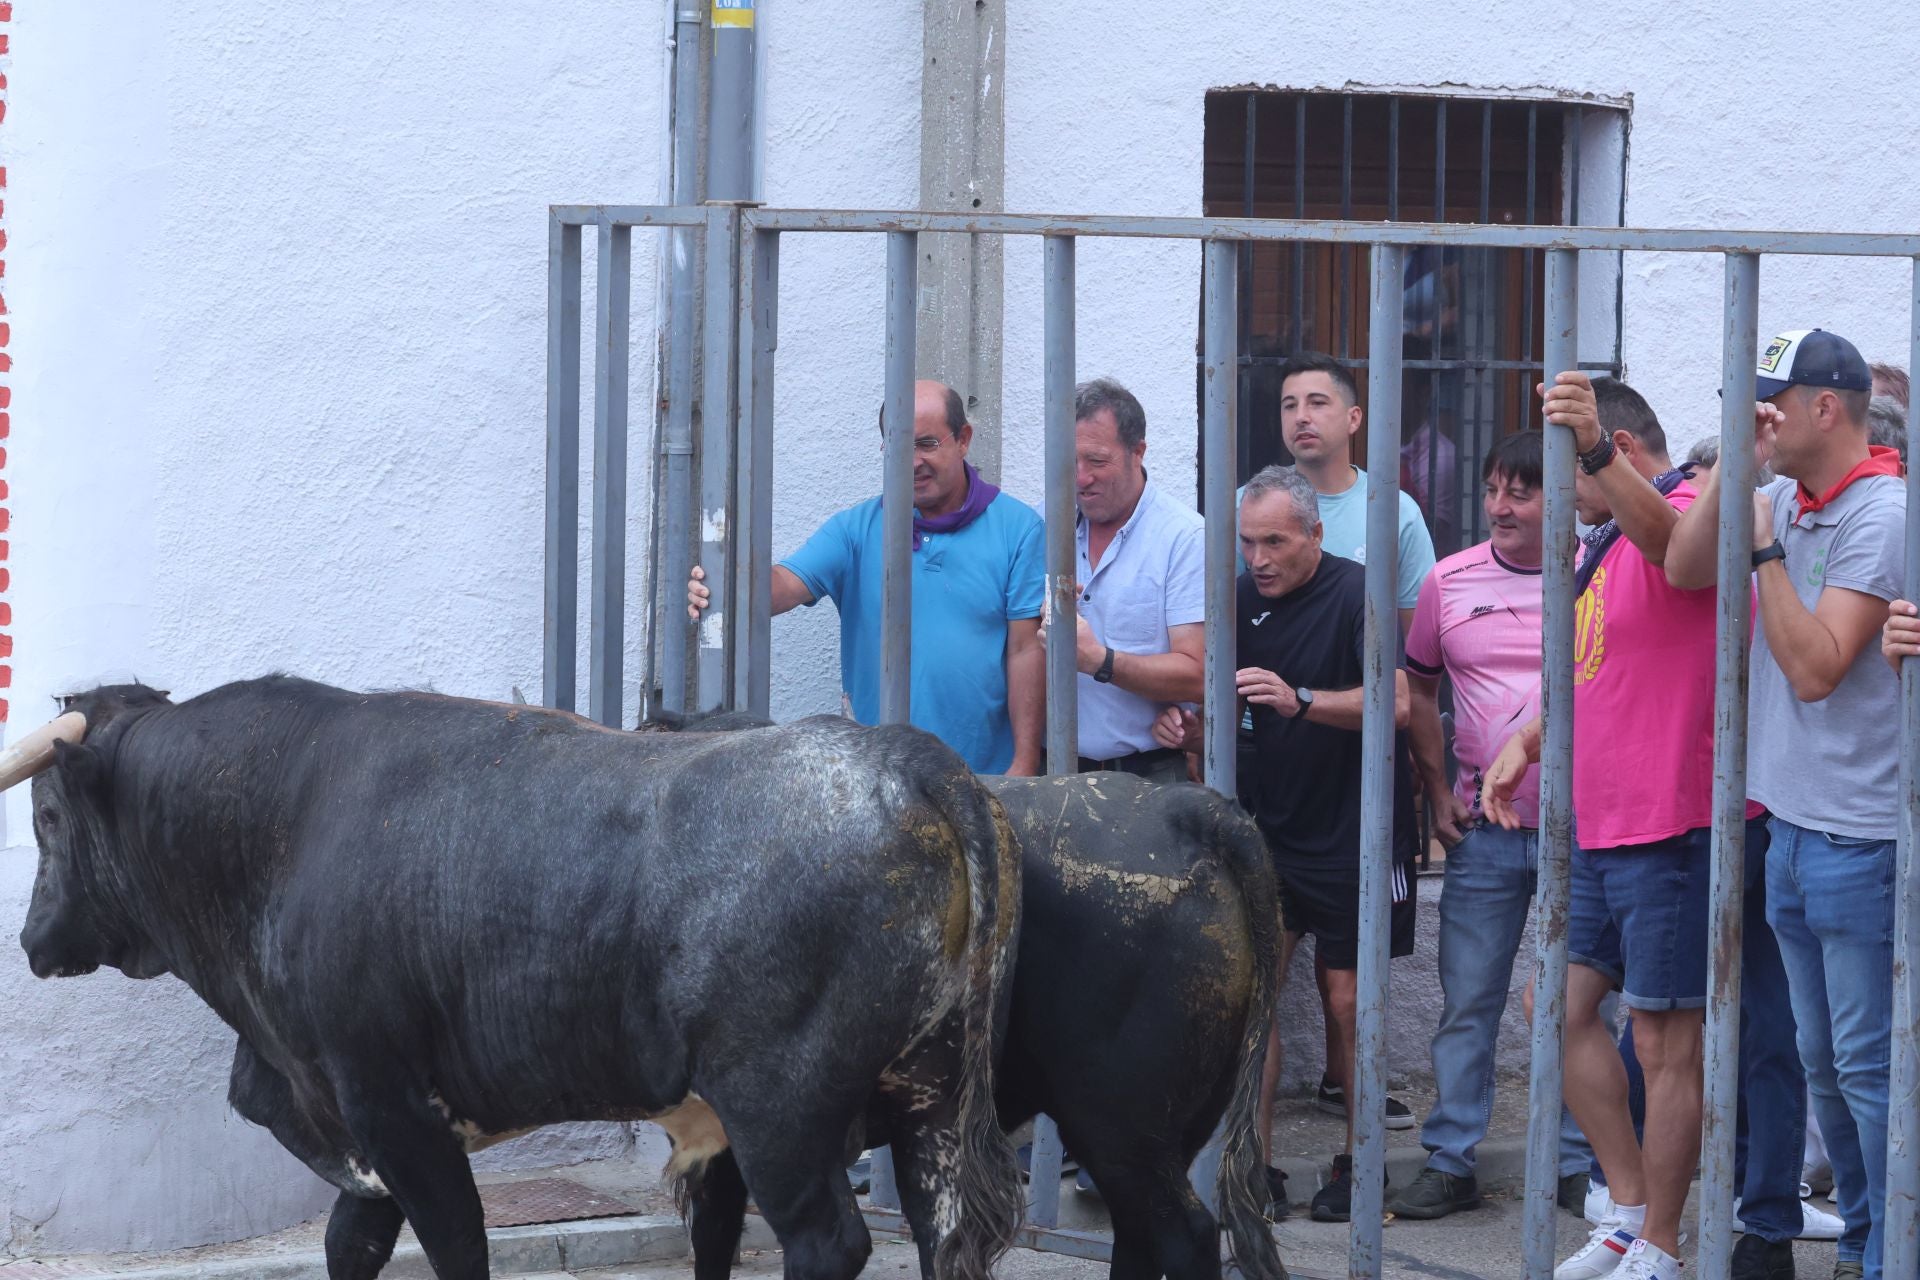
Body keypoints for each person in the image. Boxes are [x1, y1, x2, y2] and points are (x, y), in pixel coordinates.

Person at [1482, 374, 1739, 1280]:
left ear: (1618, 450)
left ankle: (1665, 1243)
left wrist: (1595, 451)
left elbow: (1682, 559)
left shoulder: (1692, 501)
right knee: (1556, 1005)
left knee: (1670, 1042)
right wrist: (1530, 738)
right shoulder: (1602, 537)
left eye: (1574, 471)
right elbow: (1606, 666)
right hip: (1603, 820)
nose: (1562, 492)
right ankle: (1630, 1212)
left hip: (1675, 815)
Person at [1667, 329, 1906, 1280]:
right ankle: (1862, 1243)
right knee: (1824, 1066)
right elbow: (1685, 566)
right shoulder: (1780, 495)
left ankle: (1894, 1247)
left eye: (1772, 399)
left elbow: (1813, 670)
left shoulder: (1882, 513)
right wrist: (1738, 463)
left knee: (1870, 1071)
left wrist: (1764, 543)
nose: (1760, 413)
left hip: (1862, 833)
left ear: (1826, 408)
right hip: (1795, 826)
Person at [1153, 465, 1417, 1225]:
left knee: (1347, 1001)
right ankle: (1250, 1169)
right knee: (1253, 1003)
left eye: (1274, 541)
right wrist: (1189, 728)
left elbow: (1395, 703)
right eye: (1247, 542)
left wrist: (1301, 701)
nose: (1259, 558)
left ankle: (1360, 1166)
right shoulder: (1237, 600)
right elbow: (1223, 719)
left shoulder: (1355, 592)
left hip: (1357, 833)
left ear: (1314, 534)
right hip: (1271, 830)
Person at [1386, 430, 1597, 1221]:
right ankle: (1451, 1159)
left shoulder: (1601, 573)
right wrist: (1437, 791)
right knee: (1468, 1000)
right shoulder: (1450, 579)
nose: (1501, 508)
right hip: (1487, 826)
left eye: (1523, 492)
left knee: (1583, 1004)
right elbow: (1420, 688)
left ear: (1565, 499)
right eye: (1493, 490)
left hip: (1589, 828)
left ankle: (1582, 1160)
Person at [686, 379, 1045, 774]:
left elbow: (1026, 651)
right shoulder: (855, 530)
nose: (912, 462)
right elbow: (780, 588)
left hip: (984, 779)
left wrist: (1024, 763)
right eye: (898, 445)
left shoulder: (1019, 529)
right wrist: (721, 584)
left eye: (926, 443)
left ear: (964, 439)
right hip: (877, 784)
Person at [1268, 350, 1436, 1130]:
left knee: (1352, 976)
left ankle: (1352, 1107)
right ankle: (1253, 1139)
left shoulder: (1390, 513)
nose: (1302, 416)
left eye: (1318, 403)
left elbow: (1412, 660)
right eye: (1289, 404)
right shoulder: (1257, 505)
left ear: (1354, 419)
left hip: (1361, 780)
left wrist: (1434, 783)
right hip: (1276, 780)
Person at [1054, 377, 1205, 783]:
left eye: (1097, 461)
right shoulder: (1043, 525)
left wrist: (1100, 662)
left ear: (1138, 452)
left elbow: (1200, 675)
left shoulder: (1184, 538)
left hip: (1146, 776)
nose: (1080, 478)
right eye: (1069, 461)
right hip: (1051, 774)